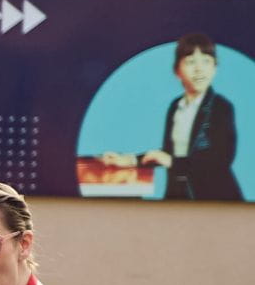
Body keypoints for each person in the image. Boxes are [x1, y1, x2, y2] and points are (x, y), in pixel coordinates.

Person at [101, 33, 239, 202]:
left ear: (215, 69)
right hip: (178, 195)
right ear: (177, 71)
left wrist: (172, 162)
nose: (199, 69)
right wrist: (129, 160)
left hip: (213, 199)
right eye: (190, 62)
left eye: (206, 61)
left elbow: (220, 160)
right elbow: (167, 153)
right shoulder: (176, 106)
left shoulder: (221, 107)